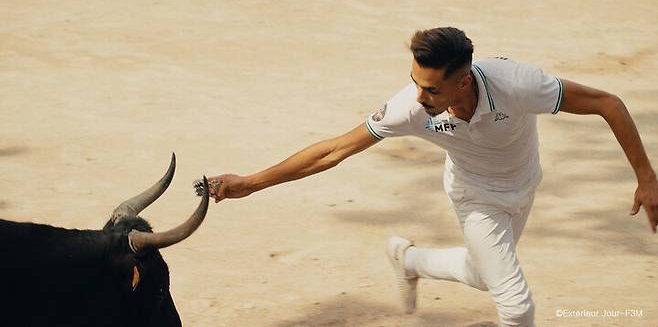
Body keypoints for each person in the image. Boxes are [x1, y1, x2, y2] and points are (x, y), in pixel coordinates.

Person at [207, 27, 658, 326]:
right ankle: (412, 262)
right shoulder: (409, 106)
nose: (419, 96)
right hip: (474, 195)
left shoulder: (517, 83)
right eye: (415, 81)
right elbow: (333, 151)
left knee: (485, 276)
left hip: (525, 182)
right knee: (516, 306)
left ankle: (408, 261)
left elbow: (607, 103)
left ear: (463, 82)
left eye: (431, 88)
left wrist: (646, 177)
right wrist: (252, 182)